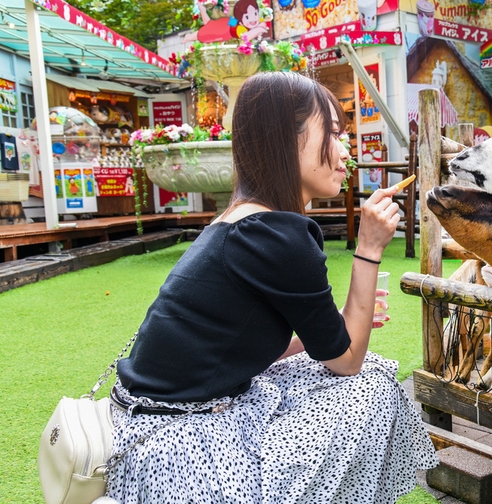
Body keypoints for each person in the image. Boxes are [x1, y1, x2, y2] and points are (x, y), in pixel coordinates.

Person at [104, 72, 438, 503]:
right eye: (333, 134)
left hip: (143, 434)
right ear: (286, 139)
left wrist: (333, 325)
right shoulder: (279, 235)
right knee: (369, 387)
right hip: (181, 454)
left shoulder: (241, 219)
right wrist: (370, 247)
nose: (345, 149)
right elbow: (347, 360)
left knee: (335, 373)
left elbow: (241, 348)